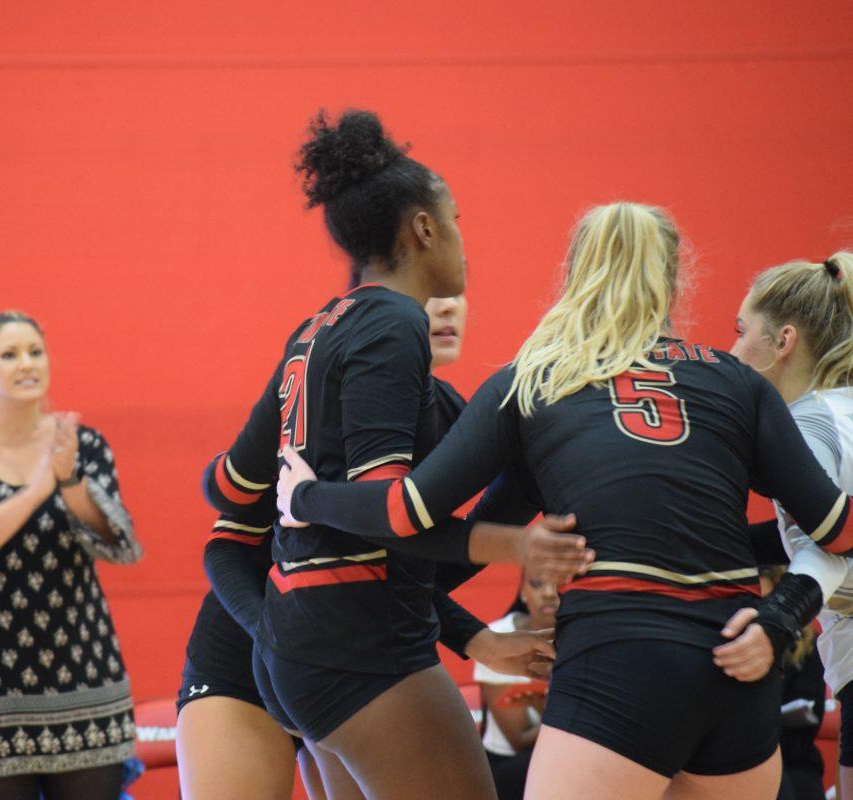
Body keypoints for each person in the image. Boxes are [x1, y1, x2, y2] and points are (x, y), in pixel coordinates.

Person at [277, 203, 853, 800]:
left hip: (619, 661)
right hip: (739, 668)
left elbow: (406, 514)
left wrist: (309, 497)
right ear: (676, 281)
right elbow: (836, 532)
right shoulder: (738, 382)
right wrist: (780, 617)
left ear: (573, 273)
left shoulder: (533, 381)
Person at [200, 109, 588, 800]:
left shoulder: (319, 324)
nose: (467, 244)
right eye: (459, 219)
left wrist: (298, 493)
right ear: (424, 228)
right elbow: (392, 512)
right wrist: (515, 546)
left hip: (302, 645)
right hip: (360, 643)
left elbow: (228, 488)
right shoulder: (394, 322)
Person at [177, 295, 562, 799]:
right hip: (243, 653)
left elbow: (407, 570)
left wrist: (476, 638)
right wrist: (273, 639)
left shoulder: (455, 417)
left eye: (456, 289)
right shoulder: (319, 396)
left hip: (342, 660)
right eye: (426, 290)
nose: (447, 307)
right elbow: (224, 547)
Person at [0, 310, 142, 800]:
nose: (27, 364)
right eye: (10, 355)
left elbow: (119, 542)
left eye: (35, 352)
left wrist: (69, 482)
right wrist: (37, 490)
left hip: (82, 673)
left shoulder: (81, 444)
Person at [721, 251, 853, 798]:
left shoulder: (806, 423)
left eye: (740, 330)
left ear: (783, 342)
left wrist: (778, 620)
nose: (731, 350)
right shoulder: (838, 412)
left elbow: (826, 546)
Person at [473, 572, 559, 800]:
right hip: (508, 763)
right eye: (538, 583)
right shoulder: (499, 637)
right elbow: (518, 741)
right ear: (523, 592)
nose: (549, 593)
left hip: (559, 753)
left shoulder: (586, 636)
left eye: (560, 584)